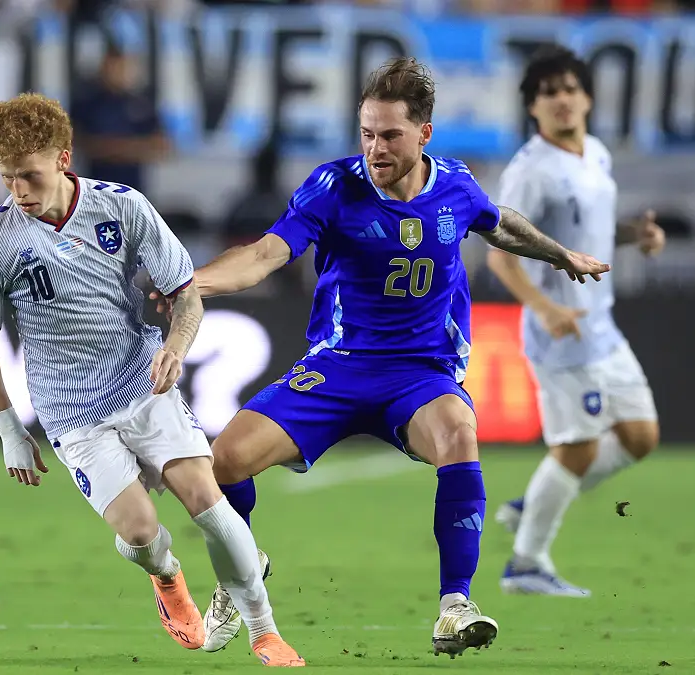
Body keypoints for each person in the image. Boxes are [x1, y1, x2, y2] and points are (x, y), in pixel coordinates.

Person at [154, 57, 610, 658]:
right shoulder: (333, 186)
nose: (375, 147)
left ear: (424, 133)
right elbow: (267, 254)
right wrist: (192, 283)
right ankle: (243, 571)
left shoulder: (454, 184)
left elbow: (500, 225)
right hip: (337, 367)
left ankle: (455, 605)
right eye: (366, 133)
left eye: (390, 134)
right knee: (226, 462)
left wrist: (560, 255)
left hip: (419, 376)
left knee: (459, 434)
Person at [0, 92, 303, 667]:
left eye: (29, 176)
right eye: (6, 178)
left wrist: (175, 346)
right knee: (142, 534)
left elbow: (186, 295)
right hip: (72, 415)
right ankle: (166, 576)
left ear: (63, 158)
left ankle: (265, 632)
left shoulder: (123, 208)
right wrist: (10, 430)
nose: (18, 191)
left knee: (206, 498)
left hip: (141, 380)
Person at [487, 45, 664, 597]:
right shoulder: (530, 170)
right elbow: (499, 253)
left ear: (587, 97)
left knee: (640, 436)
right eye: (548, 92)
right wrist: (545, 307)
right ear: (533, 108)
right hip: (559, 331)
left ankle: (538, 500)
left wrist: (638, 236)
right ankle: (526, 563)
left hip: (602, 326)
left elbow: (590, 232)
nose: (561, 99)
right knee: (579, 446)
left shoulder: (597, 154)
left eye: (569, 88)